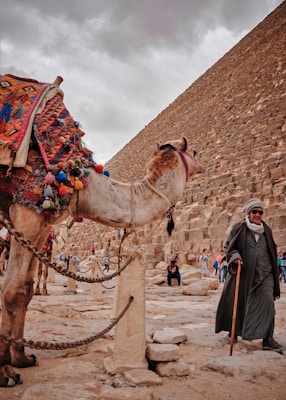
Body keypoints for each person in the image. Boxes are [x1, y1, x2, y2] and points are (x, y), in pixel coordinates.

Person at [215, 198, 284, 353]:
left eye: (260, 212)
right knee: (239, 303)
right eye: (255, 212)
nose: (258, 215)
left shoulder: (266, 229)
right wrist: (235, 257)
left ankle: (268, 339)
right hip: (245, 273)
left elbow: (271, 250)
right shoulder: (239, 228)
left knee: (268, 303)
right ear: (248, 212)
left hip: (265, 274)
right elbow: (229, 247)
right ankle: (235, 331)